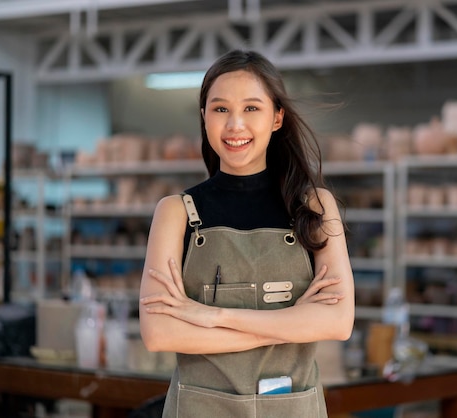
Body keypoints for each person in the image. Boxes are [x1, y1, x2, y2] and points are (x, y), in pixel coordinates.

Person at [139, 49, 355, 417]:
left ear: (277, 117)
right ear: (204, 117)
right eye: (220, 109)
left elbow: (338, 322)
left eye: (252, 108)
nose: (235, 125)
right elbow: (159, 333)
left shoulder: (314, 207)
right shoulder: (175, 213)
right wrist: (292, 322)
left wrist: (214, 316)